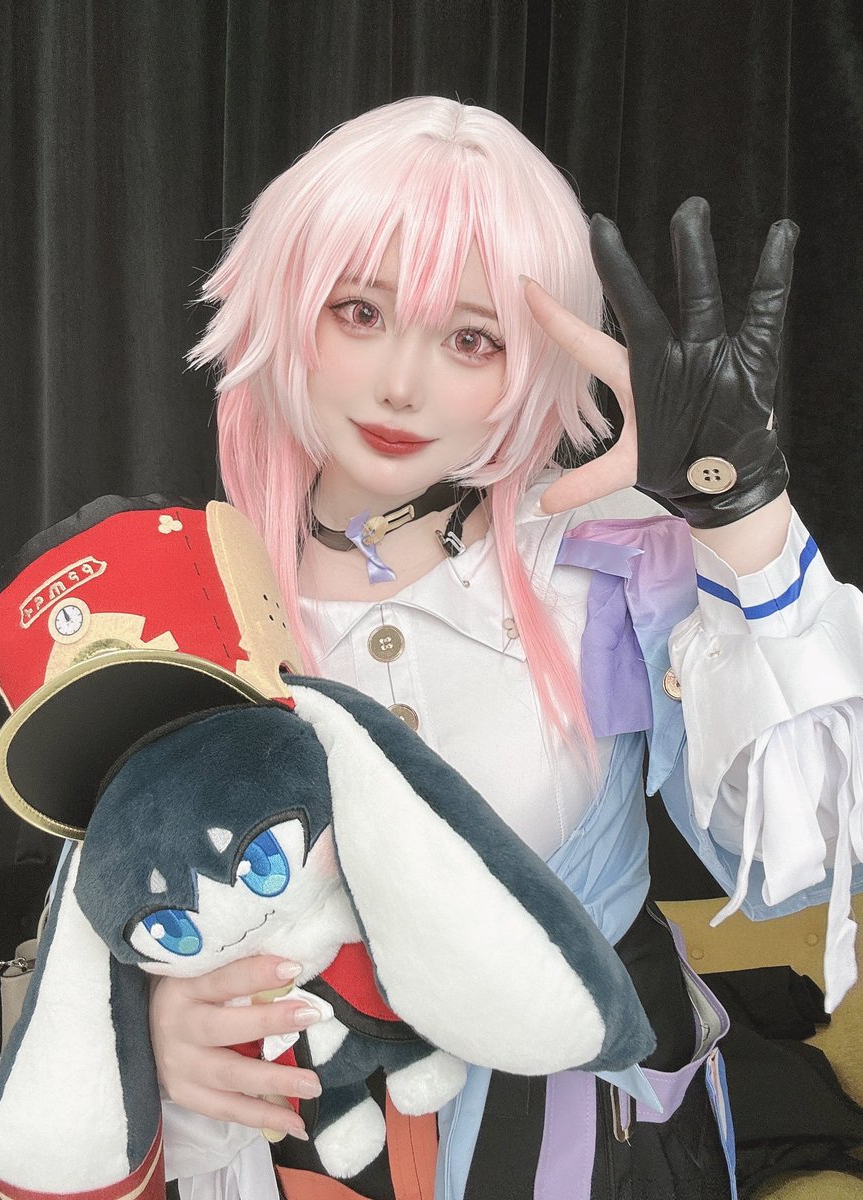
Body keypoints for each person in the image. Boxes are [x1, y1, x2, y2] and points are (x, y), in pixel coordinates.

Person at [150, 96, 863, 1199]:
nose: (402, 383)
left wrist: (747, 522)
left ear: (533, 355)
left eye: (470, 338)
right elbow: (137, 901)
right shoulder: (189, 600)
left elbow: (792, 854)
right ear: (290, 305)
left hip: (588, 1142)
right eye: (360, 311)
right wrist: (163, 1023)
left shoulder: (605, 562)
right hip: (310, 1148)